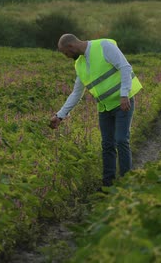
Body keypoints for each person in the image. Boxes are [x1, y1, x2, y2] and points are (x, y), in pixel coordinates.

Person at [49, 33, 143, 187]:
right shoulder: (79, 64)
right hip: (104, 108)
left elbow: (125, 67)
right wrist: (60, 116)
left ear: (71, 47)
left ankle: (128, 183)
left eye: (66, 53)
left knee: (121, 140)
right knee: (107, 145)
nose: (66, 57)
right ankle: (108, 184)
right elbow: (76, 93)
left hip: (122, 103)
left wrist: (124, 94)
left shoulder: (103, 46)